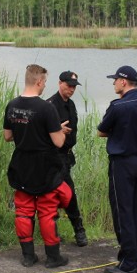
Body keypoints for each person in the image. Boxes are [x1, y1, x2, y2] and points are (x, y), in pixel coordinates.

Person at [4, 64, 73, 268]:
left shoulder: (12, 105)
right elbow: (59, 142)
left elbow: (8, 136)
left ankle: (28, 256)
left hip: (21, 164)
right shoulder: (46, 108)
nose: (44, 87)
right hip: (44, 167)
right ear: (39, 81)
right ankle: (53, 257)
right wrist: (58, 130)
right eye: (45, 82)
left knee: (23, 211)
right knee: (47, 211)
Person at [97, 66, 137, 273]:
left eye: (115, 80)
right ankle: (134, 258)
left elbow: (101, 130)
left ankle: (128, 264)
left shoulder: (118, 106)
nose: (113, 83)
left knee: (123, 213)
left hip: (122, 162)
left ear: (123, 81)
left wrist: (117, 131)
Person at [46, 70, 88, 247]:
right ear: (59, 83)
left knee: (67, 194)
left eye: (74, 87)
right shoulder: (49, 105)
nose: (71, 89)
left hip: (66, 156)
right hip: (52, 157)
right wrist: (57, 130)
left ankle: (76, 230)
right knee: (60, 194)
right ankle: (74, 230)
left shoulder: (70, 105)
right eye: (68, 85)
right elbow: (40, 133)